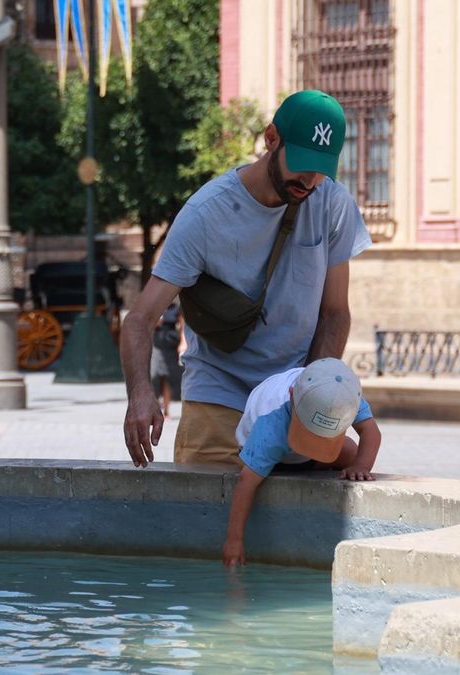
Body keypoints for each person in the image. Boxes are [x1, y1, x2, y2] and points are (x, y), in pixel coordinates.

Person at [121, 90, 372, 468]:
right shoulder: (205, 214)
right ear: (271, 140)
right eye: (302, 163)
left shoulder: (331, 203)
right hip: (219, 400)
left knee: (305, 524)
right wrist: (141, 394)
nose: (309, 179)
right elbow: (140, 319)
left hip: (290, 403)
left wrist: (309, 394)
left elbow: (335, 314)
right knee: (206, 523)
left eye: (321, 168)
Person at [223, 358, 381, 568]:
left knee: (353, 453)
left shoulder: (344, 397)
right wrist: (234, 541)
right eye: (310, 434)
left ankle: (326, 446)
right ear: (292, 396)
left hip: (305, 452)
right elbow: (246, 483)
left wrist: (361, 466)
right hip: (275, 456)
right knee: (256, 472)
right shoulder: (270, 425)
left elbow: (371, 431)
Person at [150, 302, 184, 418]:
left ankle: (166, 410)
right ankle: (155, 404)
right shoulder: (154, 305)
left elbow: (182, 326)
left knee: (167, 377)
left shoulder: (175, 309)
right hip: (156, 344)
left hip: (170, 345)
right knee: (154, 375)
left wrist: (182, 342)